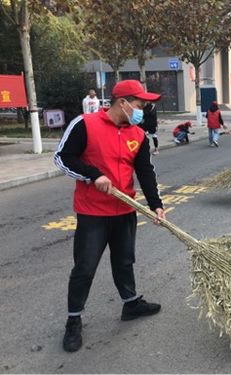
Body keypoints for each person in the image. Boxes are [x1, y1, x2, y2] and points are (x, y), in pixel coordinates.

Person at [54, 80, 165, 353]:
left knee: (125, 260)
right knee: (85, 267)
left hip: (125, 209)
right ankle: (73, 320)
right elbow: (63, 157)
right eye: (139, 105)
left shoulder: (137, 134)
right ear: (123, 102)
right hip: (93, 212)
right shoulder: (85, 124)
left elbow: (145, 171)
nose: (141, 111)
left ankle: (131, 303)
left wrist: (156, 204)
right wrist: (94, 176)